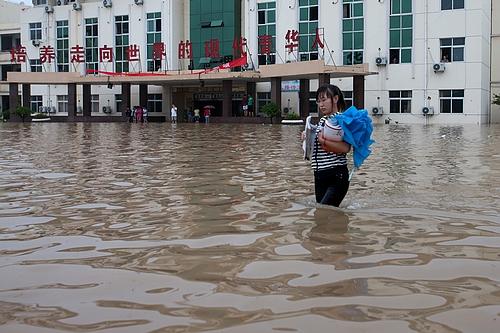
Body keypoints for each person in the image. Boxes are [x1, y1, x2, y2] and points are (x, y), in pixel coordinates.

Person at [304, 84, 351, 207]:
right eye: (318, 101)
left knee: (325, 211)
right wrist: (308, 137)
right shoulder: (323, 120)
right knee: (322, 215)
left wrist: (323, 141)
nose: (321, 105)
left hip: (336, 175)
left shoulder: (340, 119)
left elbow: (346, 148)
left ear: (335, 99)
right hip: (319, 174)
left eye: (324, 100)